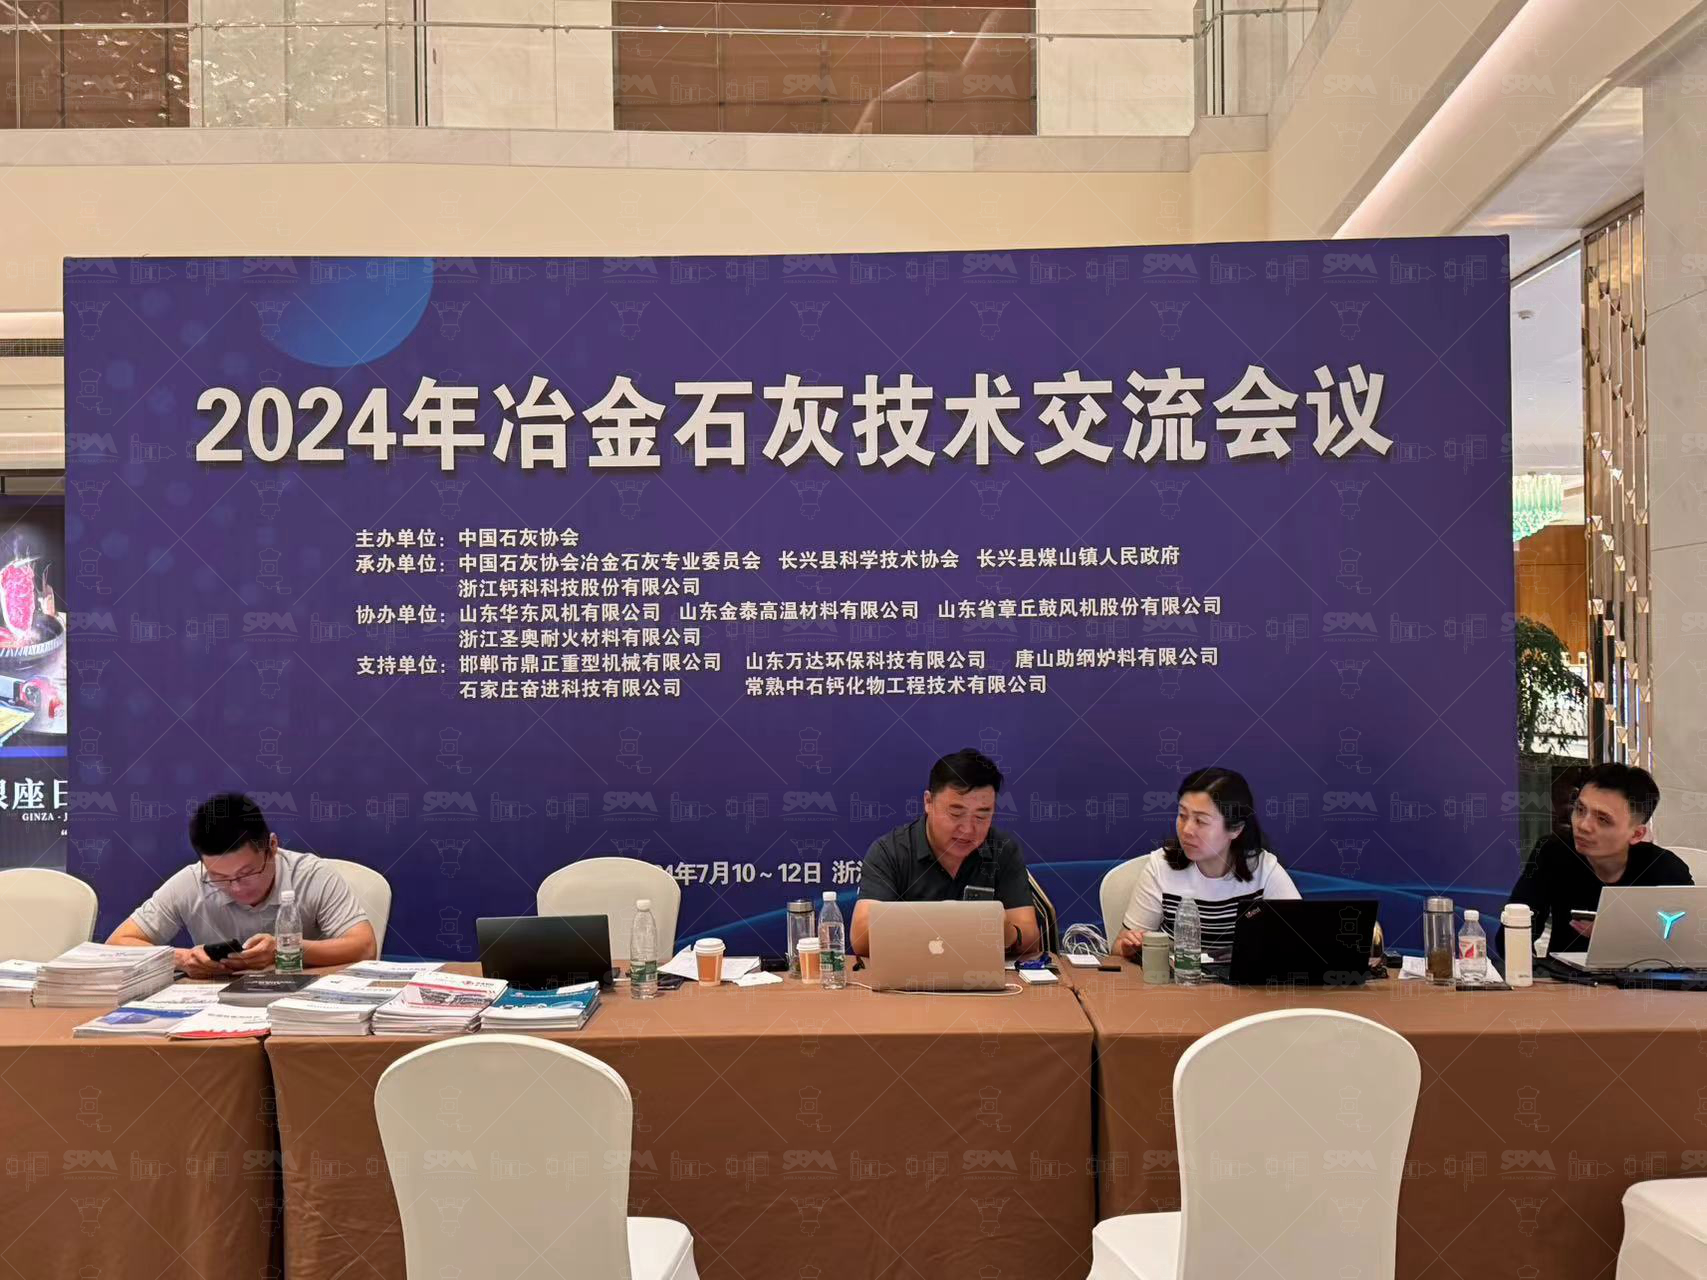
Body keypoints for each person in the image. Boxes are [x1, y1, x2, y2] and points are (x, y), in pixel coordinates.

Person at [107, 793, 377, 978]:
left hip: (302, 1009)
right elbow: (117, 945)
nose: (236, 887)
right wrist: (182, 959)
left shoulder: (311, 876)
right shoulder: (191, 881)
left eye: (247, 873)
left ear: (272, 846)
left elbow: (364, 947)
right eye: (219, 877)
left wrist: (285, 950)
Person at [851, 748, 1041, 958]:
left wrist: (1008, 934)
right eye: (956, 813)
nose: (968, 829)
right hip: (910, 971)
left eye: (981, 817)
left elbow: (1030, 936)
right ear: (928, 802)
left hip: (981, 973)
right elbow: (861, 937)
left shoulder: (1003, 850)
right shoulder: (890, 852)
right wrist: (943, 924)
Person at [1112, 767, 1299, 961]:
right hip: (1176, 978)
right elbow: (1118, 948)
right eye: (1182, 815)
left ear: (1235, 829)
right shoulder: (1161, 867)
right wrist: (1129, 947)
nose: (1187, 830)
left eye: (1200, 821)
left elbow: (1302, 942)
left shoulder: (1264, 870)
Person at [1506, 762, 1692, 955]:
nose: (1583, 826)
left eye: (1603, 819)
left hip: (1643, 973)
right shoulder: (1553, 853)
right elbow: (1511, 935)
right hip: (1562, 972)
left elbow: (1690, 947)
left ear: (1636, 834)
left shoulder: (1666, 870)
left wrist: (1615, 938)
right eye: (1580, 810)